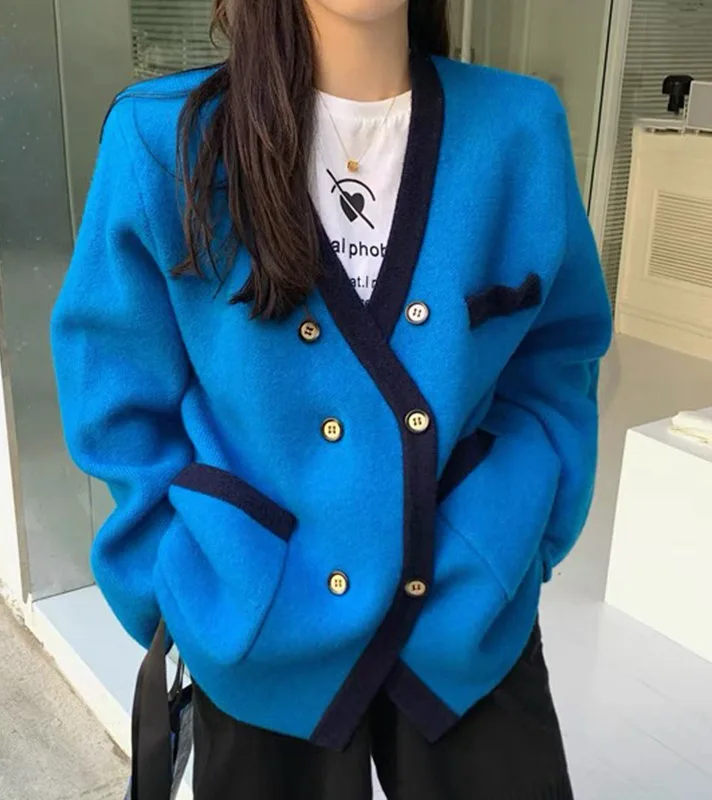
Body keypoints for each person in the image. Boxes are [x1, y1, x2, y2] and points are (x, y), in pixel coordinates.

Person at [51, 1, 612, 797]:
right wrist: (187, 585)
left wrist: (515, 532)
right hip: (261, 629)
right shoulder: (164, 141)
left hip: (467, 621)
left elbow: (556, 357)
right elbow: (115, 397)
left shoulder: (520, 128)